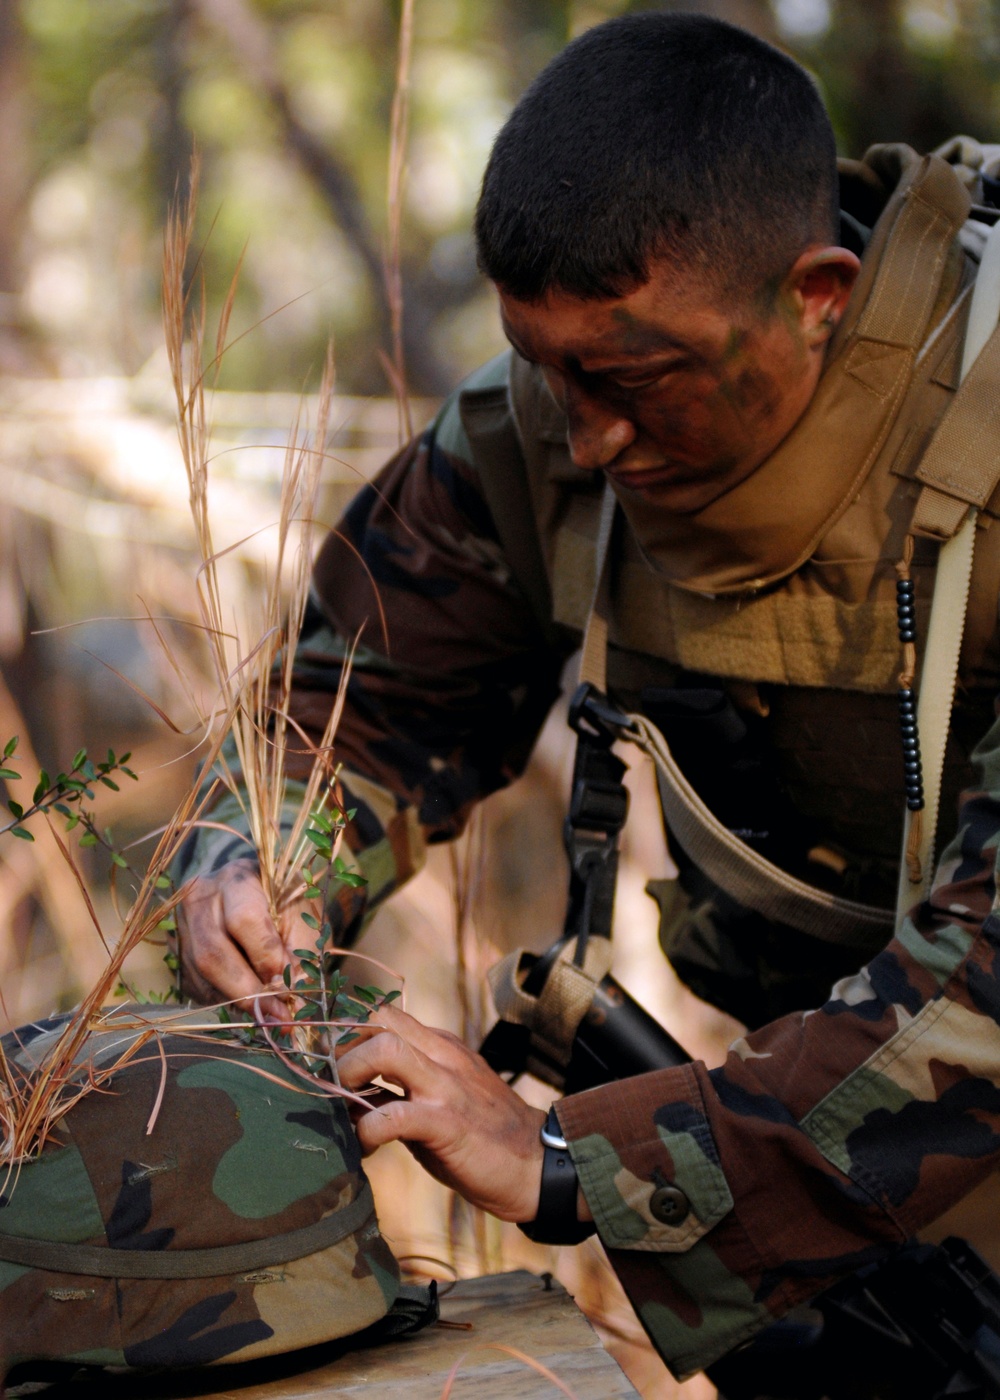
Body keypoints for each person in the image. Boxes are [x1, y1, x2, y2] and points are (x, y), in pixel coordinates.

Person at [173, 12, 1000, 1381]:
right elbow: (356, 715)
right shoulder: (540, 432)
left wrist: (572, 1165)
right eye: (547, 367)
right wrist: (255, 866)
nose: (590, 436)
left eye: (637, 382)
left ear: (821, 294)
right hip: (843, 1120)